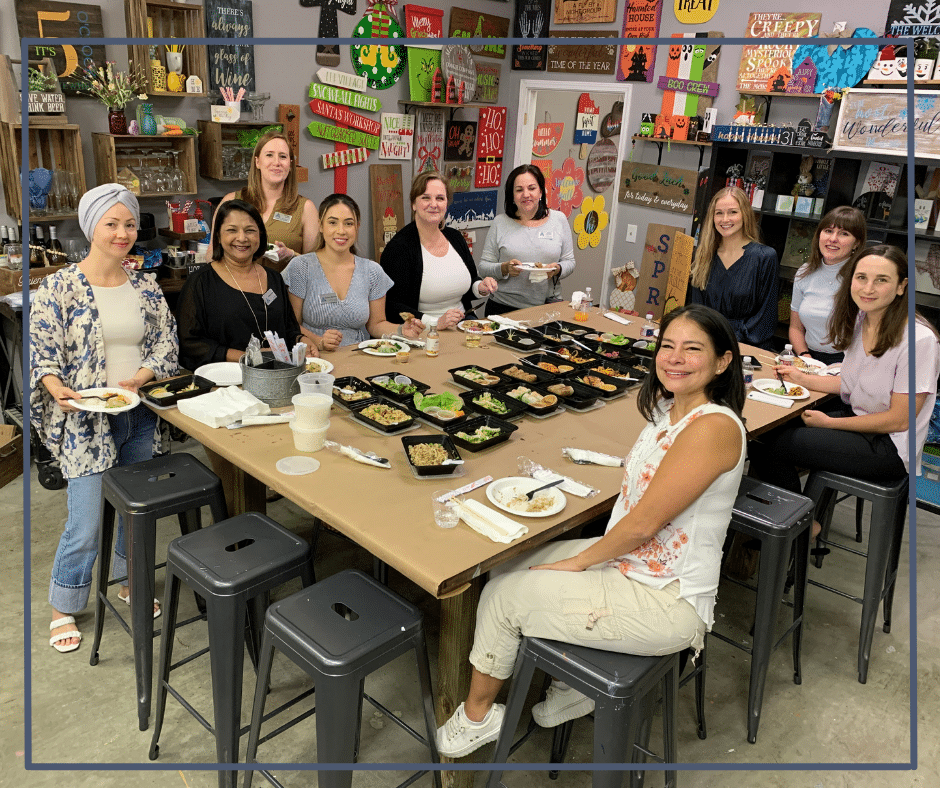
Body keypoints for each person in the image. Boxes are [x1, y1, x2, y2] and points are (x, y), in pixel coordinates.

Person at [435, 304, 747, 757]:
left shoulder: (713, 427)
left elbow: (643, 523)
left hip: (667, 597)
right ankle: (571, 684)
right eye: (668, 346)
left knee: (503, 599)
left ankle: (477, 718)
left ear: (722, 362)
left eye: (693, 349)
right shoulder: (669, 409)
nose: (675, 358)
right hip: (631, 563)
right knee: (508, 566)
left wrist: (578, 562)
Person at [29, 183, 179, 653]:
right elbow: (42, 354)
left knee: (136, 512)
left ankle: (129, 579)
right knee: (88, 519)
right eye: (111, 223)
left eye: (130, 223)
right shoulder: (59, 287)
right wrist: (57, 388)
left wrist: (144, 374)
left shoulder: (146, 286)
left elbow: (166, 343)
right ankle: (63, 603)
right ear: (91, 225)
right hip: (85, 422)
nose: (122, 233)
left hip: (137, 416)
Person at [749, 244, 940, 500]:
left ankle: (799, 527)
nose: (868, 288)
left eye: (881, 280)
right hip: (859, 417)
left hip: (890, 445)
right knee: (761, 432)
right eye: (861, 278)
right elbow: (851, 384)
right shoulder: (862, 319)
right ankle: (778, 519)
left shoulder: (919, 340)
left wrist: (831, 424)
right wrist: (801, 377)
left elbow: (899, 420)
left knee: (776, 445)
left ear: (901, 286)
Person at [282, 194, 423, 351]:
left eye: (348, 223)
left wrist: (400, 330)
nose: (341, 231)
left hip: (359, 358)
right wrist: (319, 340)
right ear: (320, 226)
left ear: (357, 227)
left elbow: (376, 325)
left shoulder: (372, 271)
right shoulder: (301, 267)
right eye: (332, 223)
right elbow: (291, 324)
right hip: (315, 358)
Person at [177, 199, 305, 371]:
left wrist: (302, 341)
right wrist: (247, 357)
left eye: (250, 230)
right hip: (224, 381)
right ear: (218, 237)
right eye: (231, 230)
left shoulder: (274, 279)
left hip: (276, 375)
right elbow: (190, 344)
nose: (242, 238)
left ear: (260, 235)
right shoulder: (200, 283)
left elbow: (289, 329)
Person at [380, 170, 498, 329]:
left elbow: (471, 281)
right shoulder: (399, 248)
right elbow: (393, 307)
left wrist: (481, 288)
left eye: (440, 198)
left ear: (446, 203)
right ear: (413, 204)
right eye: (426, 197)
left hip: (464, 323)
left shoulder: (455, 237)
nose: (434, 204)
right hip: (421, 332)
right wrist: (436, 323)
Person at [477, 164, 576, 316]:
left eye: (531, 188)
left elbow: (570, 261)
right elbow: (483, 267)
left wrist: (557, 269)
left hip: (547, 307)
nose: (526, 194)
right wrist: (504, 268)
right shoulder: (500, 222)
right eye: (519, 190)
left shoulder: (559, 219)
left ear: (541, 191)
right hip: (503, 307)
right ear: (512, 195)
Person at [687, 186, 779, 350]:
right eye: (719, 213)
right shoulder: (703, 256)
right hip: (709, 345)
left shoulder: (765, 257)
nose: (725, 219)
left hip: (748, 348)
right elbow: (697, 311)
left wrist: (728, 337)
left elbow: (765, 318)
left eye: (733, 212)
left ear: (745, 215)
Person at [215, 130, 319, 267]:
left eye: (283, 156)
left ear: (290, 164)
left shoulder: (306, 208)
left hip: (285, 288)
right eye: (269, 155)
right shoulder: (231, 201)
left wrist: (292, 255)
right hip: (237, 286)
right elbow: (213, 253)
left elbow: (315, 267)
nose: (277, 162)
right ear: (257, 162)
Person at [789, 206, 866, 365]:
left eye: (844, 234)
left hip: (847, 361)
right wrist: (805, 357)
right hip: (808, 358)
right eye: (828, 231)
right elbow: (795, 328)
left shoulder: (862, 279)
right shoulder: (805, 272)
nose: (833, 239)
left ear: (857, 243)